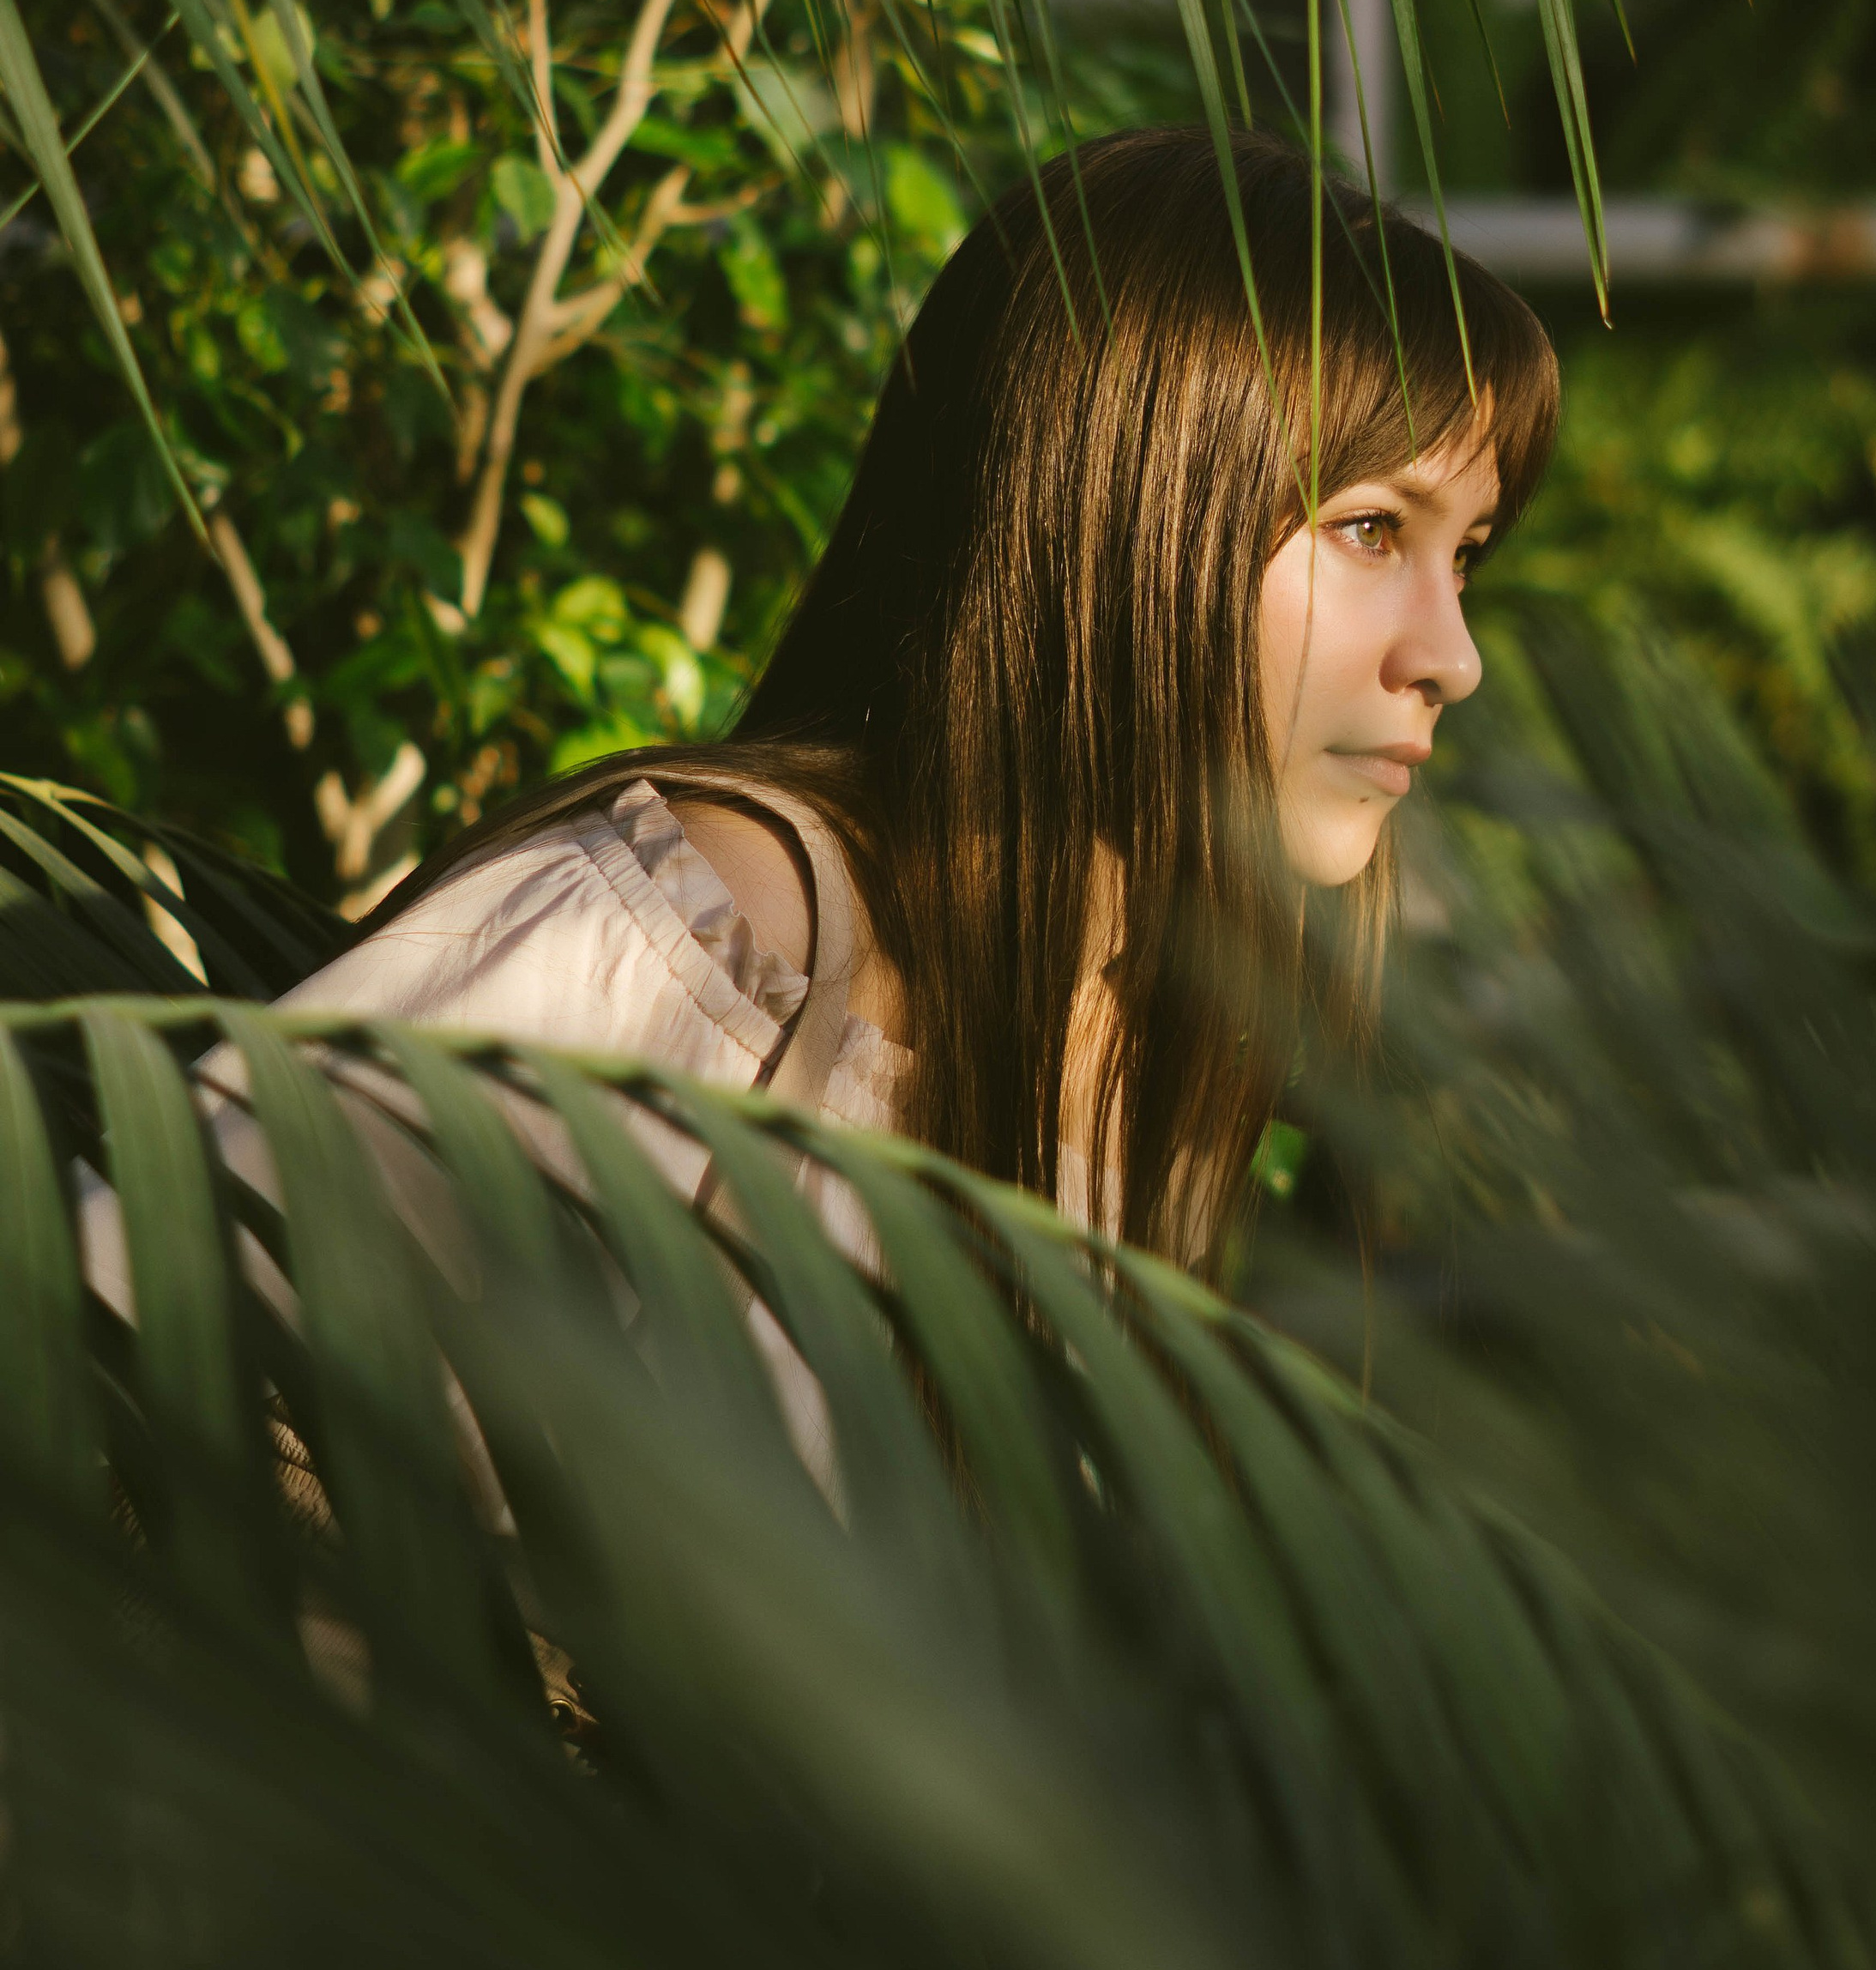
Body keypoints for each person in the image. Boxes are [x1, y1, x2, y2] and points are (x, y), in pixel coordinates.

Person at [283, 125, 1557, 1273]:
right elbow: (152, 1374)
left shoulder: (1162, 1051)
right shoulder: (725, 935)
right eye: (1374, 529)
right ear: (1116, 514)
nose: (1452, 656)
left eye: (1466, 556)